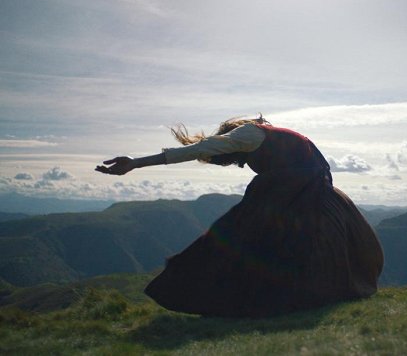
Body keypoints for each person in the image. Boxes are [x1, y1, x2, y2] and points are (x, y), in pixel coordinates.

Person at [95, 115, 384, 317]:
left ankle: (212, 294)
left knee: (232, 239)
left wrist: (136, 163)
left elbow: (198, 149)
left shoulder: (247, 134)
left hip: (288, 193)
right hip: (315, 191)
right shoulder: (274, 134)